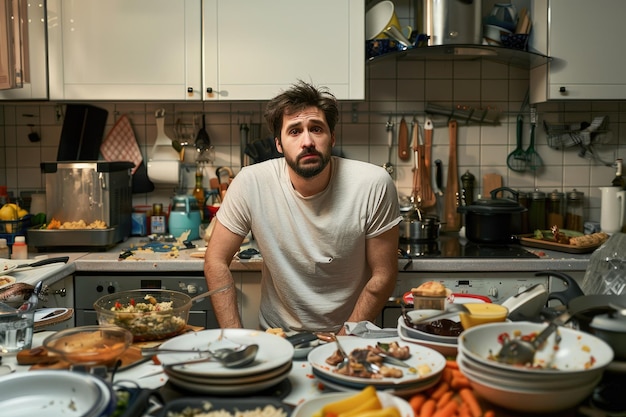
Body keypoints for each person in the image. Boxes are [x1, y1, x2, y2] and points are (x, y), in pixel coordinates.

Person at [203, 80, 402, 335]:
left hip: (352, 335)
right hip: (279, 337)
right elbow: (216, 260)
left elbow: (383, 275)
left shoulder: (373, 184)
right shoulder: (251, 183)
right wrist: (234, 337)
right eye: (294, 131)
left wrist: (344, 338)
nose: (307, 141)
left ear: (332, 138)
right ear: (278, 144)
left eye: (316, 129)